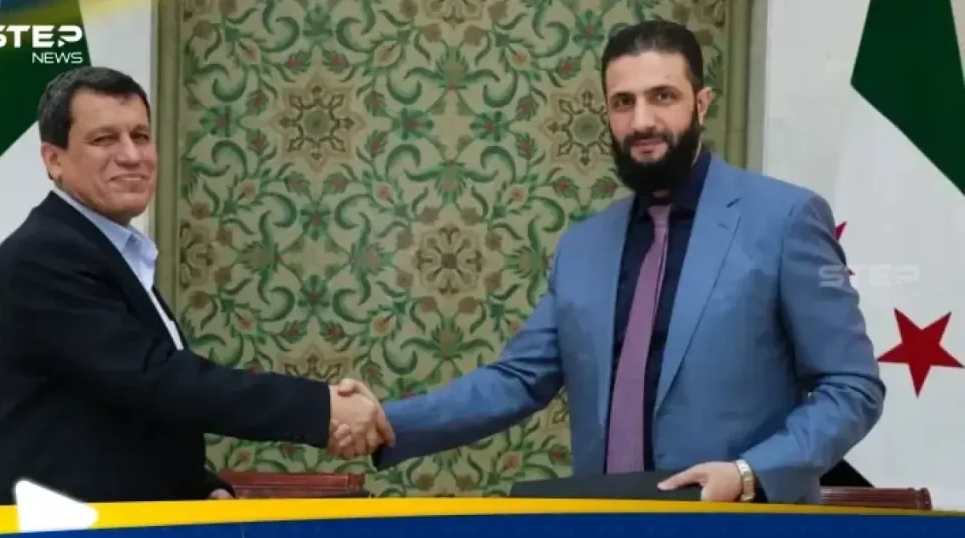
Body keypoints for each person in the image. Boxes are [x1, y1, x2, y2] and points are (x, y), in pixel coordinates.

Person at [330, 20, 885, 504]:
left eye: (662, 96)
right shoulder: (583, 246)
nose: (642, 121)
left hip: (740, 522)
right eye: (623, 102)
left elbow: (852, 387)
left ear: (701, 103)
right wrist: (385, 421)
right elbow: (517, 381)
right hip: (604, 521)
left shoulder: (785, 219)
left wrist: (748, 474)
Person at [0, 66, 394, 506]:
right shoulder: (43, 256)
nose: (131, 155)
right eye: (104, 139)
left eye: (141, 136)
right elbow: (157, 380)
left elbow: (126, 410)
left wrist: (202, 486)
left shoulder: (106, 250)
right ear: (54, 160)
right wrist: (321, 408)